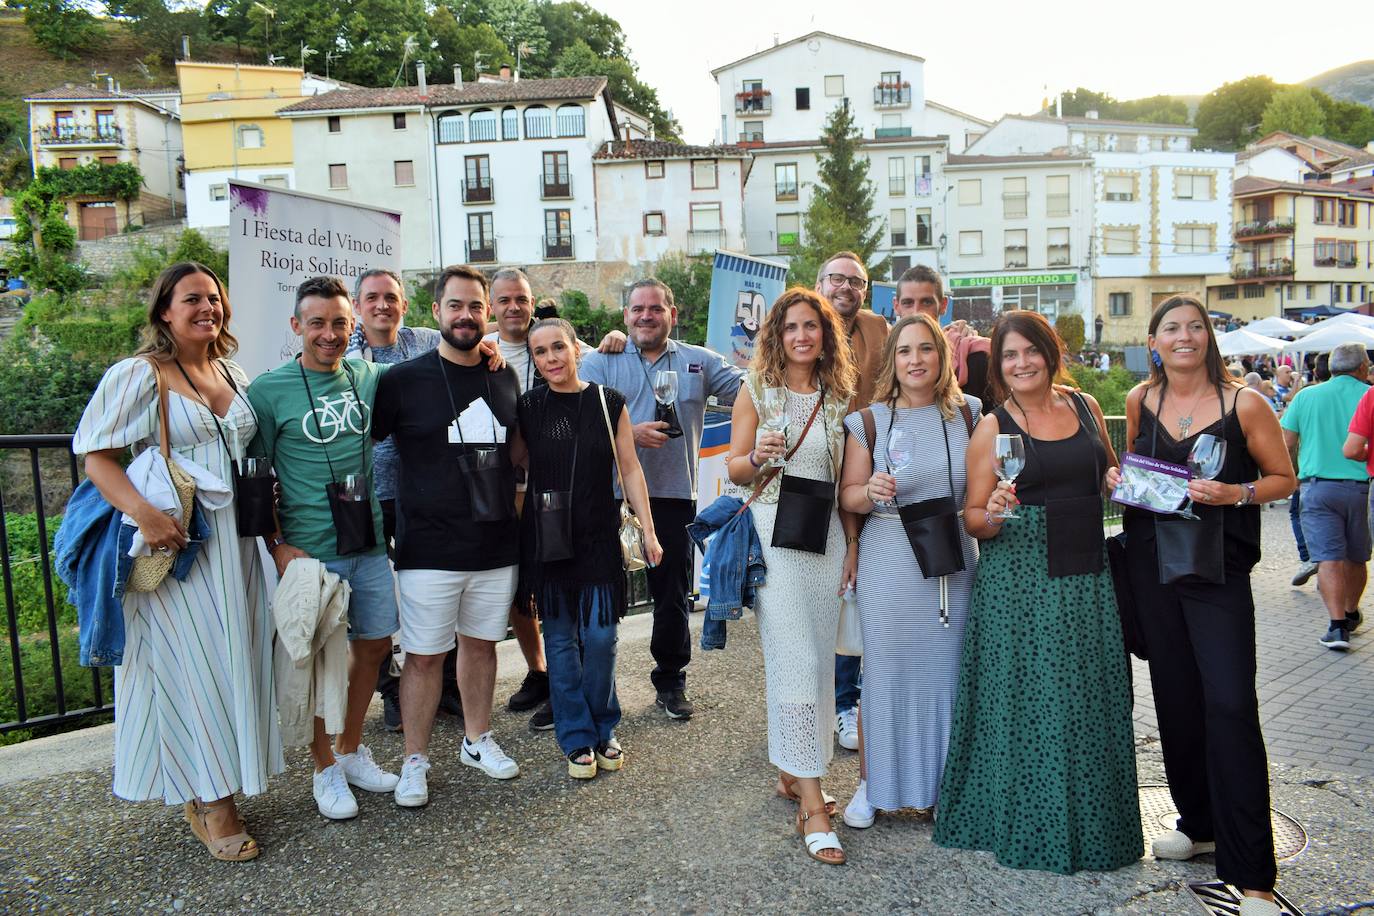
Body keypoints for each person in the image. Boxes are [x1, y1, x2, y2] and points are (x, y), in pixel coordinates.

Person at [72, 261, 282, 860]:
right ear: (165, 310)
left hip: (235, 545)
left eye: (214, 298)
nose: (206, 309)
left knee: (233, 661)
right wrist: (145, 514)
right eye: (192, 299)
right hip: (179, 547)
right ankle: (214, 803)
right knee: (193, 670)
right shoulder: (139, 375)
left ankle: (221, 776)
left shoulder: (231, 371)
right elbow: (97, 457)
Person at [934, 310, 1141, 875]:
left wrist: (1113, 481)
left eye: (1031, 351)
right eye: (1009, 356)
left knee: (1092, 699)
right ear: (998, 366)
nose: (1021, 363)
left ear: (1051, 353)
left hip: (1088, 576)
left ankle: (1101, 831)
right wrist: (994, 514)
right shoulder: (993, 427)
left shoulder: (1085, 406)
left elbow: (1106, 471)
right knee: (1031, 705)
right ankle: (1032, 828)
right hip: (1021, 583)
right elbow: (973, 518)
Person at [1108, 295, 1295, 916]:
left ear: (1208, 338)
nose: (1183, 337)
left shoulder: (1246, 403)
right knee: (1177, 698)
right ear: (1154, 340)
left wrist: (1236, 492)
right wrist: (1122, 481)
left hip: (1218, 573)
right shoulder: (1141, 400)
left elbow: (1282, 479)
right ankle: (1199, 824)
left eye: (1194, 327)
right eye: (1171, 329)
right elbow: (1143, 477)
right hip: (1152, 566)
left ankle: (1254, 876)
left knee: (1231, 704)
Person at [370, 265, 526, 807]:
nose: (466, 316)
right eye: (455, 306)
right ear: (435, 312)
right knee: (423, 655)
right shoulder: (400, 381)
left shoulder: (503, 375)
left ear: (487, 314)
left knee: (482, 647)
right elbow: (360, 444)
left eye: (475, 307)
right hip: (429, 545)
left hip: (495, 542)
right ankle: (414, 759)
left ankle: (477, 740)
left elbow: (518, 451)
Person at [247, 276, 400, 821]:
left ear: (352, 324)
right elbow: (254, 476)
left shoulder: (367, 374)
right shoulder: (269, 392)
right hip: (311, 552)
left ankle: (351, 748)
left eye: (340, 323)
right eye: (318, 323)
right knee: (315, 663)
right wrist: (277, 544)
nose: (330, 334)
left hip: (367, 539)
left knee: (376, 644)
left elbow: (428, 370)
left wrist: (486, 349)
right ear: (296, 327)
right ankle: (323, 769)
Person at [726, 287, 858, 865]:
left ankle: (791, 771)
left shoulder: (838, 398)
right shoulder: (755, 390)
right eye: (790, 328)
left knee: (820, 661)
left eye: (812, 326)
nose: (802, 336)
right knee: (795, 662)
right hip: (774, 538)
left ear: (825, 334)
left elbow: (844, 480)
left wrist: (852, 545)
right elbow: (733, 467)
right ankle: (811, 801)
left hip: (824, 536)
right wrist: (757, 455)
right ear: (775, 336)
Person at [837, 314, 978, 829]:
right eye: (904, 351)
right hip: (891, 563)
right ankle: (872, 788)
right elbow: (847, 494)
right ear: (891, 360)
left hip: (953, 563)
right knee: (886, 681)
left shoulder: (971, 415)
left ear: (942, 357)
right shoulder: (869, 421)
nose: (916, 360)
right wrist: (869, 491)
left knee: (948, 680)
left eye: (926, 349)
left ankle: (948, 790)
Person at [580, 278, 744, 721]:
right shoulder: (601, 361)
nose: (646, 316)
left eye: (655, 308)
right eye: (637, 309)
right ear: (626, 315)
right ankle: (594, 689)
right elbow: (573, 421)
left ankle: (670, 682)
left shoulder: (699, 361)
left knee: (670, 597)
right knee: (601, 596)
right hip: (608, 496)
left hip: (672, 496)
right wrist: (628, 436)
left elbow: (750, 391)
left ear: (671, 314)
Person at [518, 317, 662, 778]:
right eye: (540, 352)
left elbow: (631, 469)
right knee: (559, 641)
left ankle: (605, 725)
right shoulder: (528, 406)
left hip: (598, 534)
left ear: (576, 349)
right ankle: (577, 735)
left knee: (601, 637)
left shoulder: (607, 401)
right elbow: (515, 468)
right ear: (534, 360)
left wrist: (649, 530)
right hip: (550, 538)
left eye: (558, 347)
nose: (551, 359)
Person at [343, 268, 453, 732]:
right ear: (356, 304)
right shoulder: (338, 350)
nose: (382, 305)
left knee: (428, 591)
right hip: (359, 492)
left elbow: (482, 340)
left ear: (404, 304)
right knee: (371, 600)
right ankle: (390, 689)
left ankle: (440, 684)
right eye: (372, 297)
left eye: (391, 297)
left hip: (420, 491)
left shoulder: (426, 340)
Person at [816, 252, 890, 753]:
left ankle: (850, 703)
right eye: (837, 278)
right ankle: (822, 703)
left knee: (854, 589)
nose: (846, 286)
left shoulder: (876, 327)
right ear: (819, 283)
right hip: (811, 474)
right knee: (822, 594)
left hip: (864, 472)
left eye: (856, 281)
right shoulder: (796, 320)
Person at [1283, 341, 1370, 650]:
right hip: (1363, 488)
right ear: (1363, 367)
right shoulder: (1368, 395)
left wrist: (1288, 477)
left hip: (1317, 488)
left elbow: (1286, 442)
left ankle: (1336, 628)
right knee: (1357, 557)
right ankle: (1349, 612)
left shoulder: (1306, 396)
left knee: (1329, 558)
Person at [894, 265, 992, 410]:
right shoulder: (885, 358)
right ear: (896, 306)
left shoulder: (976, 358)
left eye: (926, 302)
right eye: (908, 303)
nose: (916, 312)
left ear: (943, 305)